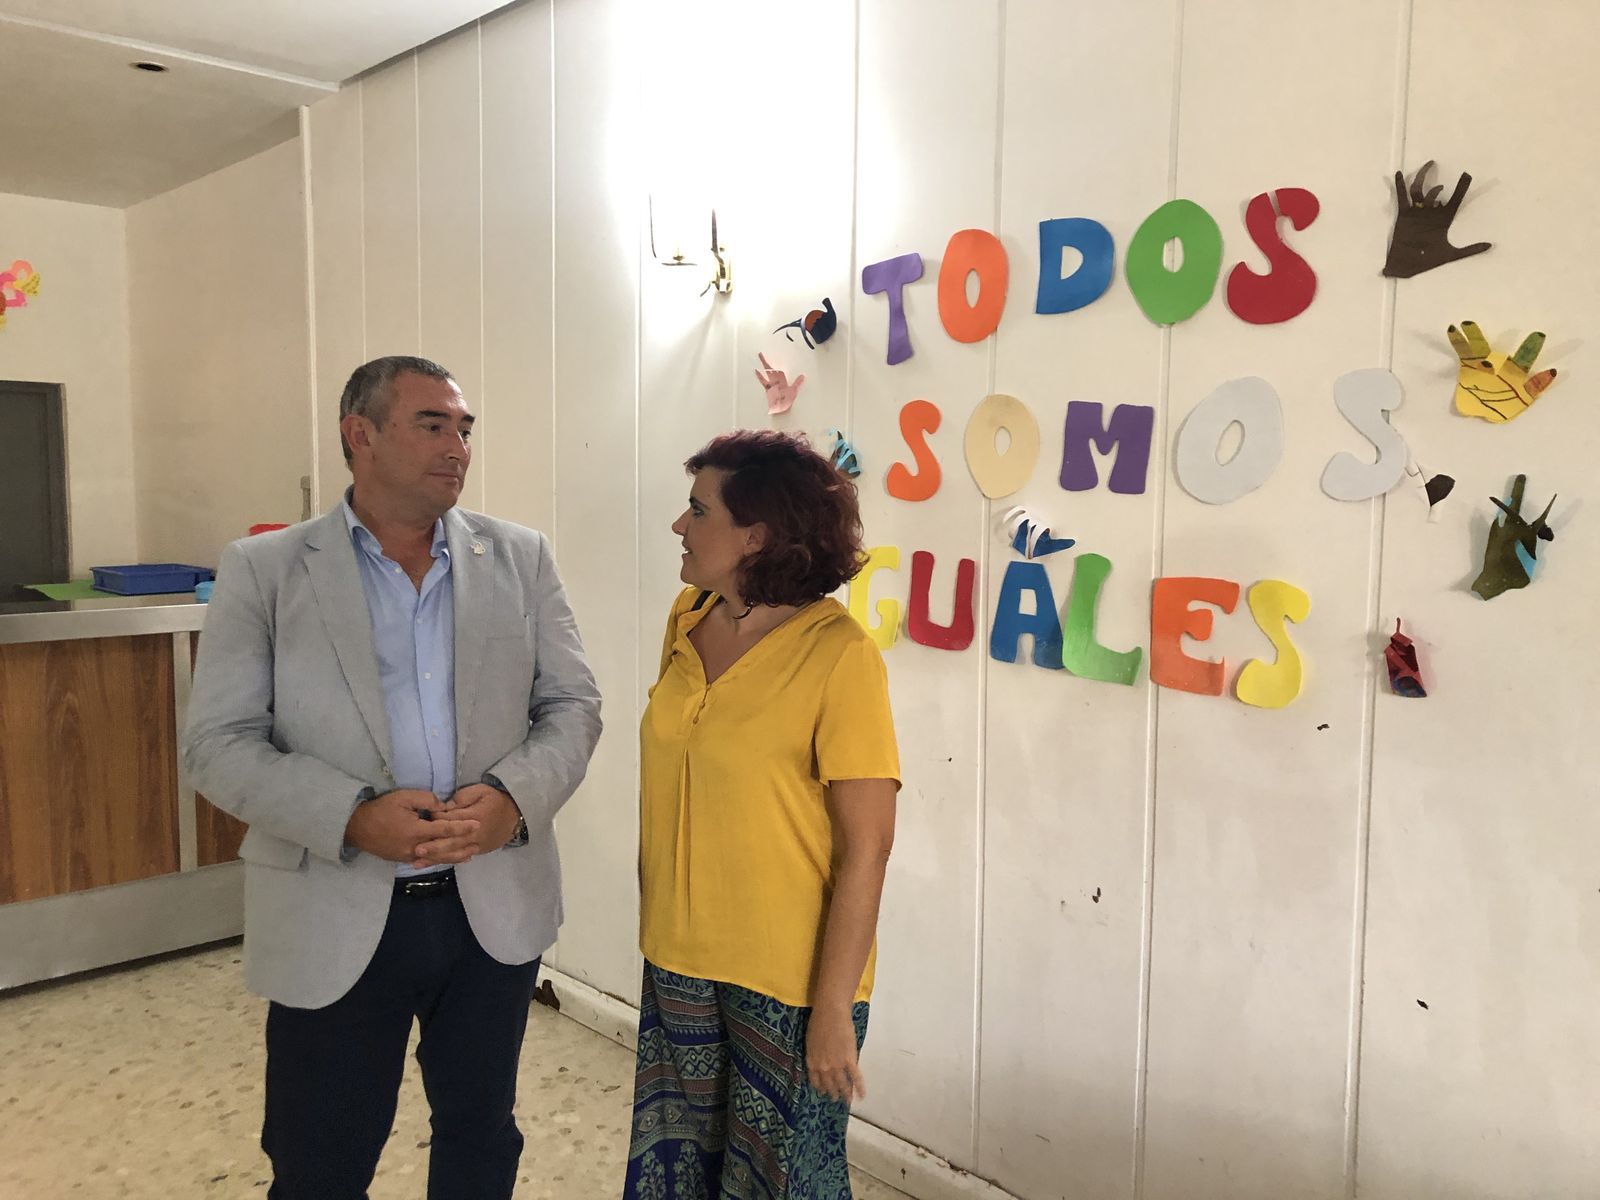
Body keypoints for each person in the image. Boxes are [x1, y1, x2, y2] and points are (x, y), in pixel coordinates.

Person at [181, 355, 602, 1200]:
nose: (458, 446)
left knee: (481, 1138)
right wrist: (349, 816)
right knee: (319, 1162)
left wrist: (513, 801)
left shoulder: (519, 557)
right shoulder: (266, 570)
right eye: (432, 424)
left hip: (490, 910)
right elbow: (217, 744)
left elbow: (573, 706)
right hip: (332, 909)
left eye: (465, 429)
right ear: (360, 435)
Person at [625, 429, 901, 1199]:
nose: (679, 525)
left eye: (697, 510)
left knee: (783, 1184)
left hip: (789, 983)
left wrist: (833, 1010)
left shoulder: (840, 655)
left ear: (758, 533)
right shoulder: (687, 618)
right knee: (681, 1176)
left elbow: (869, 847)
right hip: (677, 957)